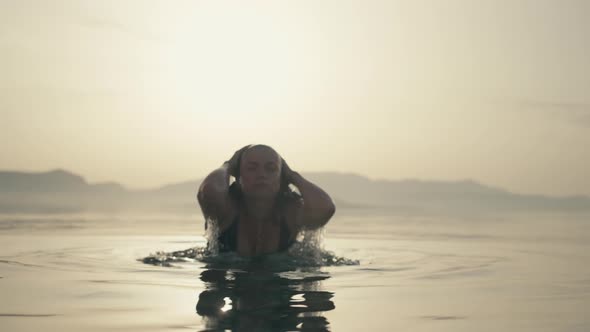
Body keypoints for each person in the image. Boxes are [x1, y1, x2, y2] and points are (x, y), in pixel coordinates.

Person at [197, 144, 336, 257]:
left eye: (271, 169)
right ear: (239, 177)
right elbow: (209, 191)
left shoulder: (290, 212)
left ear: (281, 178)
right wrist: (227, 165)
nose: (261, 175)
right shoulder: (226, 210)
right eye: (252, 168)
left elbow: (326, 208)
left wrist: (293, 175)